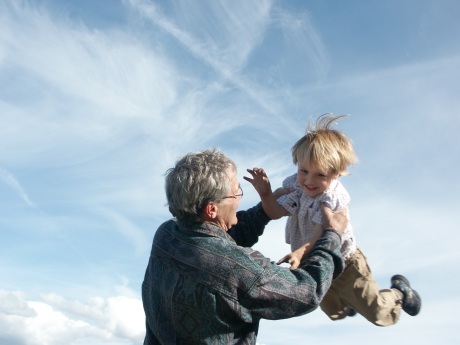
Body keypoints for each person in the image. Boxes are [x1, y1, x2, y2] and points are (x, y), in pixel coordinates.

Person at [142, 148, 348, 344]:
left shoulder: (166, 235)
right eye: (236, 192)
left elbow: (216, 241)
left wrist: (264, 210)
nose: (240, 197)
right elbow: (307, 291)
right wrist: (332, 236)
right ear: (212, 209)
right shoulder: (240, 269)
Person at [245, 114, 421, 327]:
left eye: (320, 175)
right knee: (333, 311)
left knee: (378, 314)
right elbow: (274, 212)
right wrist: (266, 194)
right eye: (304, 171)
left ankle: (399, 292)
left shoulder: (333, 197)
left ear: (336, 174)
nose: (309, 180)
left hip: (345, 263)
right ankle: (349, 304)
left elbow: (324, 231)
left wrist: (300, 252)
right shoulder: (297, 187)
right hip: (316, 262)